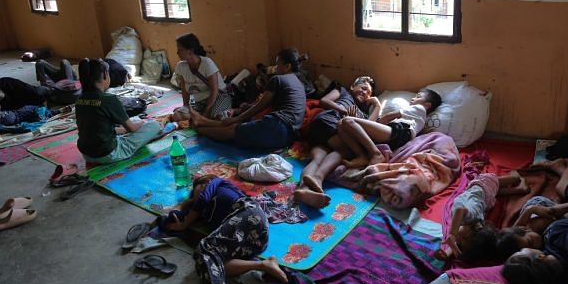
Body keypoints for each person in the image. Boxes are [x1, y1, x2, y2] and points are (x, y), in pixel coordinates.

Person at [163, 176, 287, 284]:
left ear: (205, 182)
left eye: (195, 191)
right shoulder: (205, 211)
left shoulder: (217, 183)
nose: (194, 197)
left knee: (206, 246)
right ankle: (264, 265)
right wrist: (184, 206)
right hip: (253, 241)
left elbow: (202, 199)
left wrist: (185, 223)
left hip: (250, 214)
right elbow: (174, 216)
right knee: (215, 264)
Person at [189, 49, 305, 150]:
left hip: (276, 127)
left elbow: (260, 106)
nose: (275, 67)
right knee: (241, 125)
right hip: (288, 137)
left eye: (277, 64)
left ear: (288, 66)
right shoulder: (299, 83)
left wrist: (236, 118)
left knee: (232, 129)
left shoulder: (278, 79)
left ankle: (200, 128)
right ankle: (203, 121)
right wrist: (240, 111)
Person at [294, 76, 381, 208]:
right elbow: (324, 101)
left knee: (317, 159)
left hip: (319, 132)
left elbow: (370, 125)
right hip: (329, 120)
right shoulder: (344, 91)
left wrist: (377, 105)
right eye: (363, 88)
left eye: (369, 93)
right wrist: (344, 111)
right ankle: (318, 178)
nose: (365, 93)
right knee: (345, 150)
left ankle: (303, 189)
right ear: (352, 86)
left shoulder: (362, 112)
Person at [75, 58, 160, 164]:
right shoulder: (109, 99)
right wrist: (143, 122)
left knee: (118, 128)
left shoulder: (80, 99)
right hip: (107, 154)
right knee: (154, 125)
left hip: (86, 155)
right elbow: (132, 128)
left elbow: (96, 128)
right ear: (105, 75)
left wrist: (121, 130)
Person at [336, 88, 442, 168]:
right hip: (396, 134)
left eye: (418, 97)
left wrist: (373, 121)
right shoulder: (417, 116)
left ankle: (375, 154)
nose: (413, 98)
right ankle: (362, 156)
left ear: (427, 105)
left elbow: (389, 116)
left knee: (347, 120)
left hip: (401, 131)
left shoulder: (420, 108)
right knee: (341, 124)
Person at [438, 172, 529, 261]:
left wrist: (446, 254)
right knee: (509, 179)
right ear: (475, 227)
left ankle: (520, 190)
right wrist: (452, 234)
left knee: (496, 191)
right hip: (484, 186)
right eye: (463, 238)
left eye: (460, 242)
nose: (458, 239)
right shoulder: (470, 217)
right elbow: (459, 209)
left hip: (486, 199)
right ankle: (517, 177)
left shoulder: (472, 229)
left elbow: (456, 243)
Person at [172, 33, 232, 121]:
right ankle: (200, 116)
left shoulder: (207, 63)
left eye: (180, 50)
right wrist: (185, 106)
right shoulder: (181, 66)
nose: (177, 53)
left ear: (190, 51)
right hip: (199, 101)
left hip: (218, 97)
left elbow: (214, 90)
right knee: (177, 116)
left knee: (216, 117)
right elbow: (184, 88)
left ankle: (230, 111)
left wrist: (207, 111)